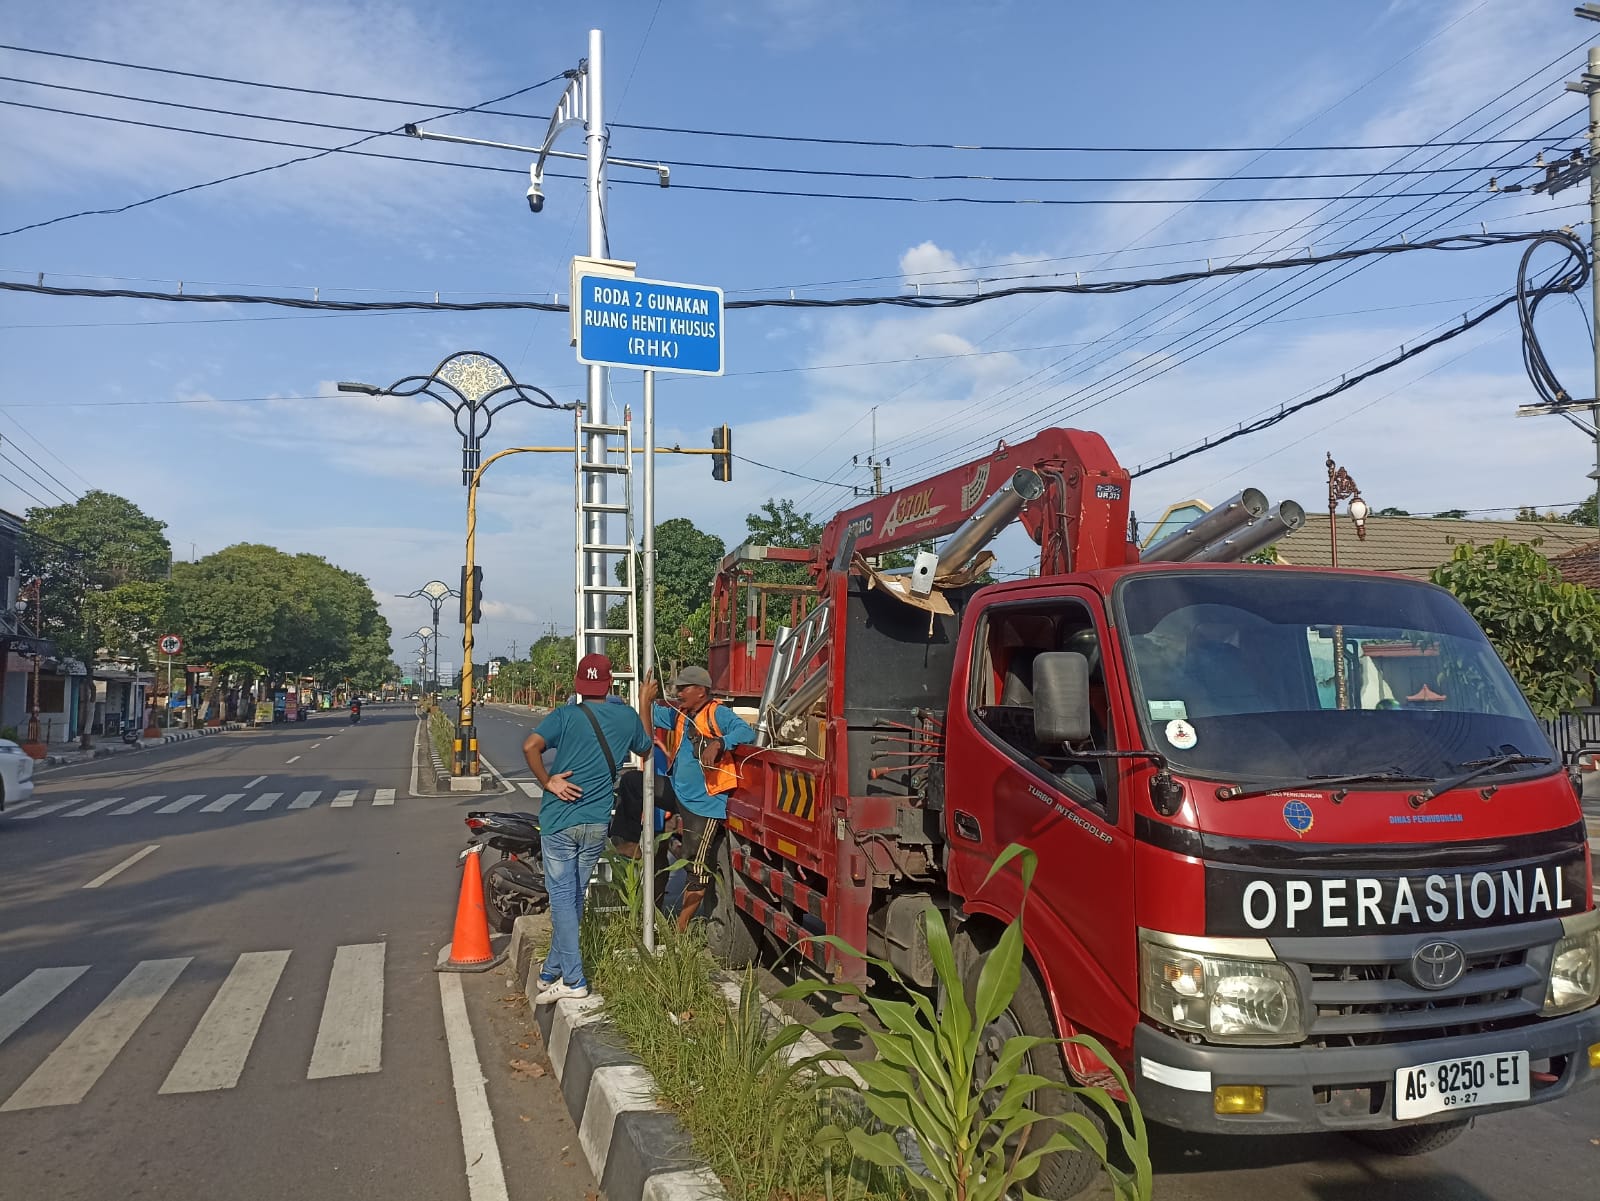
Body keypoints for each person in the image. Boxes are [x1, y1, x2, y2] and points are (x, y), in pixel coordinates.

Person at [521, 653, 650, 1004]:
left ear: (578, 685)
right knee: (574, 895)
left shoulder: (565, 716)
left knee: (563, 897)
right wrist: (643, 704)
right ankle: (552, 969)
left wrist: (548, 782)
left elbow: (530, 746)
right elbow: (647, 748)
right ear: (609, 683)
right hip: (596, 822)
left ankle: (574, 979)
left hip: (560, 820)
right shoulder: (626, 717)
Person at [639, 665, 755, 932]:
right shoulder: (681, 715)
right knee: (635, 785)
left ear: (701, 691)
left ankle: (679, 932)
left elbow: (745, 732)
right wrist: (643, 696)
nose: (678, 692)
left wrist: (720, 743)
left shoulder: (717, 713)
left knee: (697, 868)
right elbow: (649, 717)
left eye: (684, 688)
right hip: (678, 792)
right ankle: (634, 850)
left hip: (705, 805)